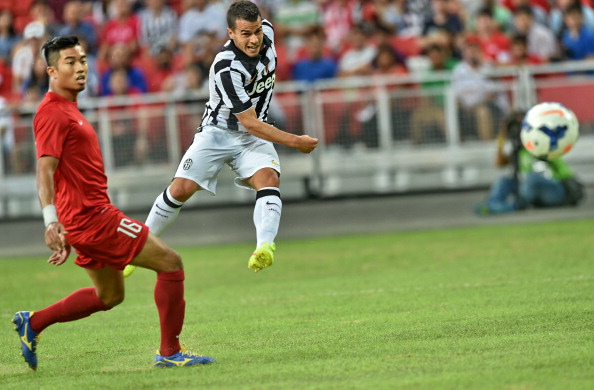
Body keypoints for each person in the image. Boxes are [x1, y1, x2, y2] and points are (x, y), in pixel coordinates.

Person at [12, 35, 214, 370]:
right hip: (93, 219)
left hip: (82, 219)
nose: (80, 68)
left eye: (82, 60)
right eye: (70, 62)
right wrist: (51, 220)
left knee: (110, 296)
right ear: (51, 71)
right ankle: (169, 352)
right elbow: (44, 171)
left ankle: (33, 323)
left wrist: (64, 223)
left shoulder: (68, 109)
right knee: (170, 262)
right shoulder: (51, 113)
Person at [124, 1, 318, 277]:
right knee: (180, 190)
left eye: (256, 32)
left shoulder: (269, 32)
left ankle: (265, 247)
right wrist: (296, 142)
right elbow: (250, 123)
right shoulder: (227, 67)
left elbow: (253, 125)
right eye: (245, 34)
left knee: (269, 179)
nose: (253, 40)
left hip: (251, 137)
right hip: (218, 134)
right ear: (230, 33)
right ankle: (139, 248)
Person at [474, 111, 585, 215]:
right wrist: (503, 136)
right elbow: (499, 163)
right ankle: (492, 205)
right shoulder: (518, 151)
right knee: (504, 180)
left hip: (556, 191)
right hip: (533, 192)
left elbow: (564, 172)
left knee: (531, 177)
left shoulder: (542, 145)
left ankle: (514, 206)